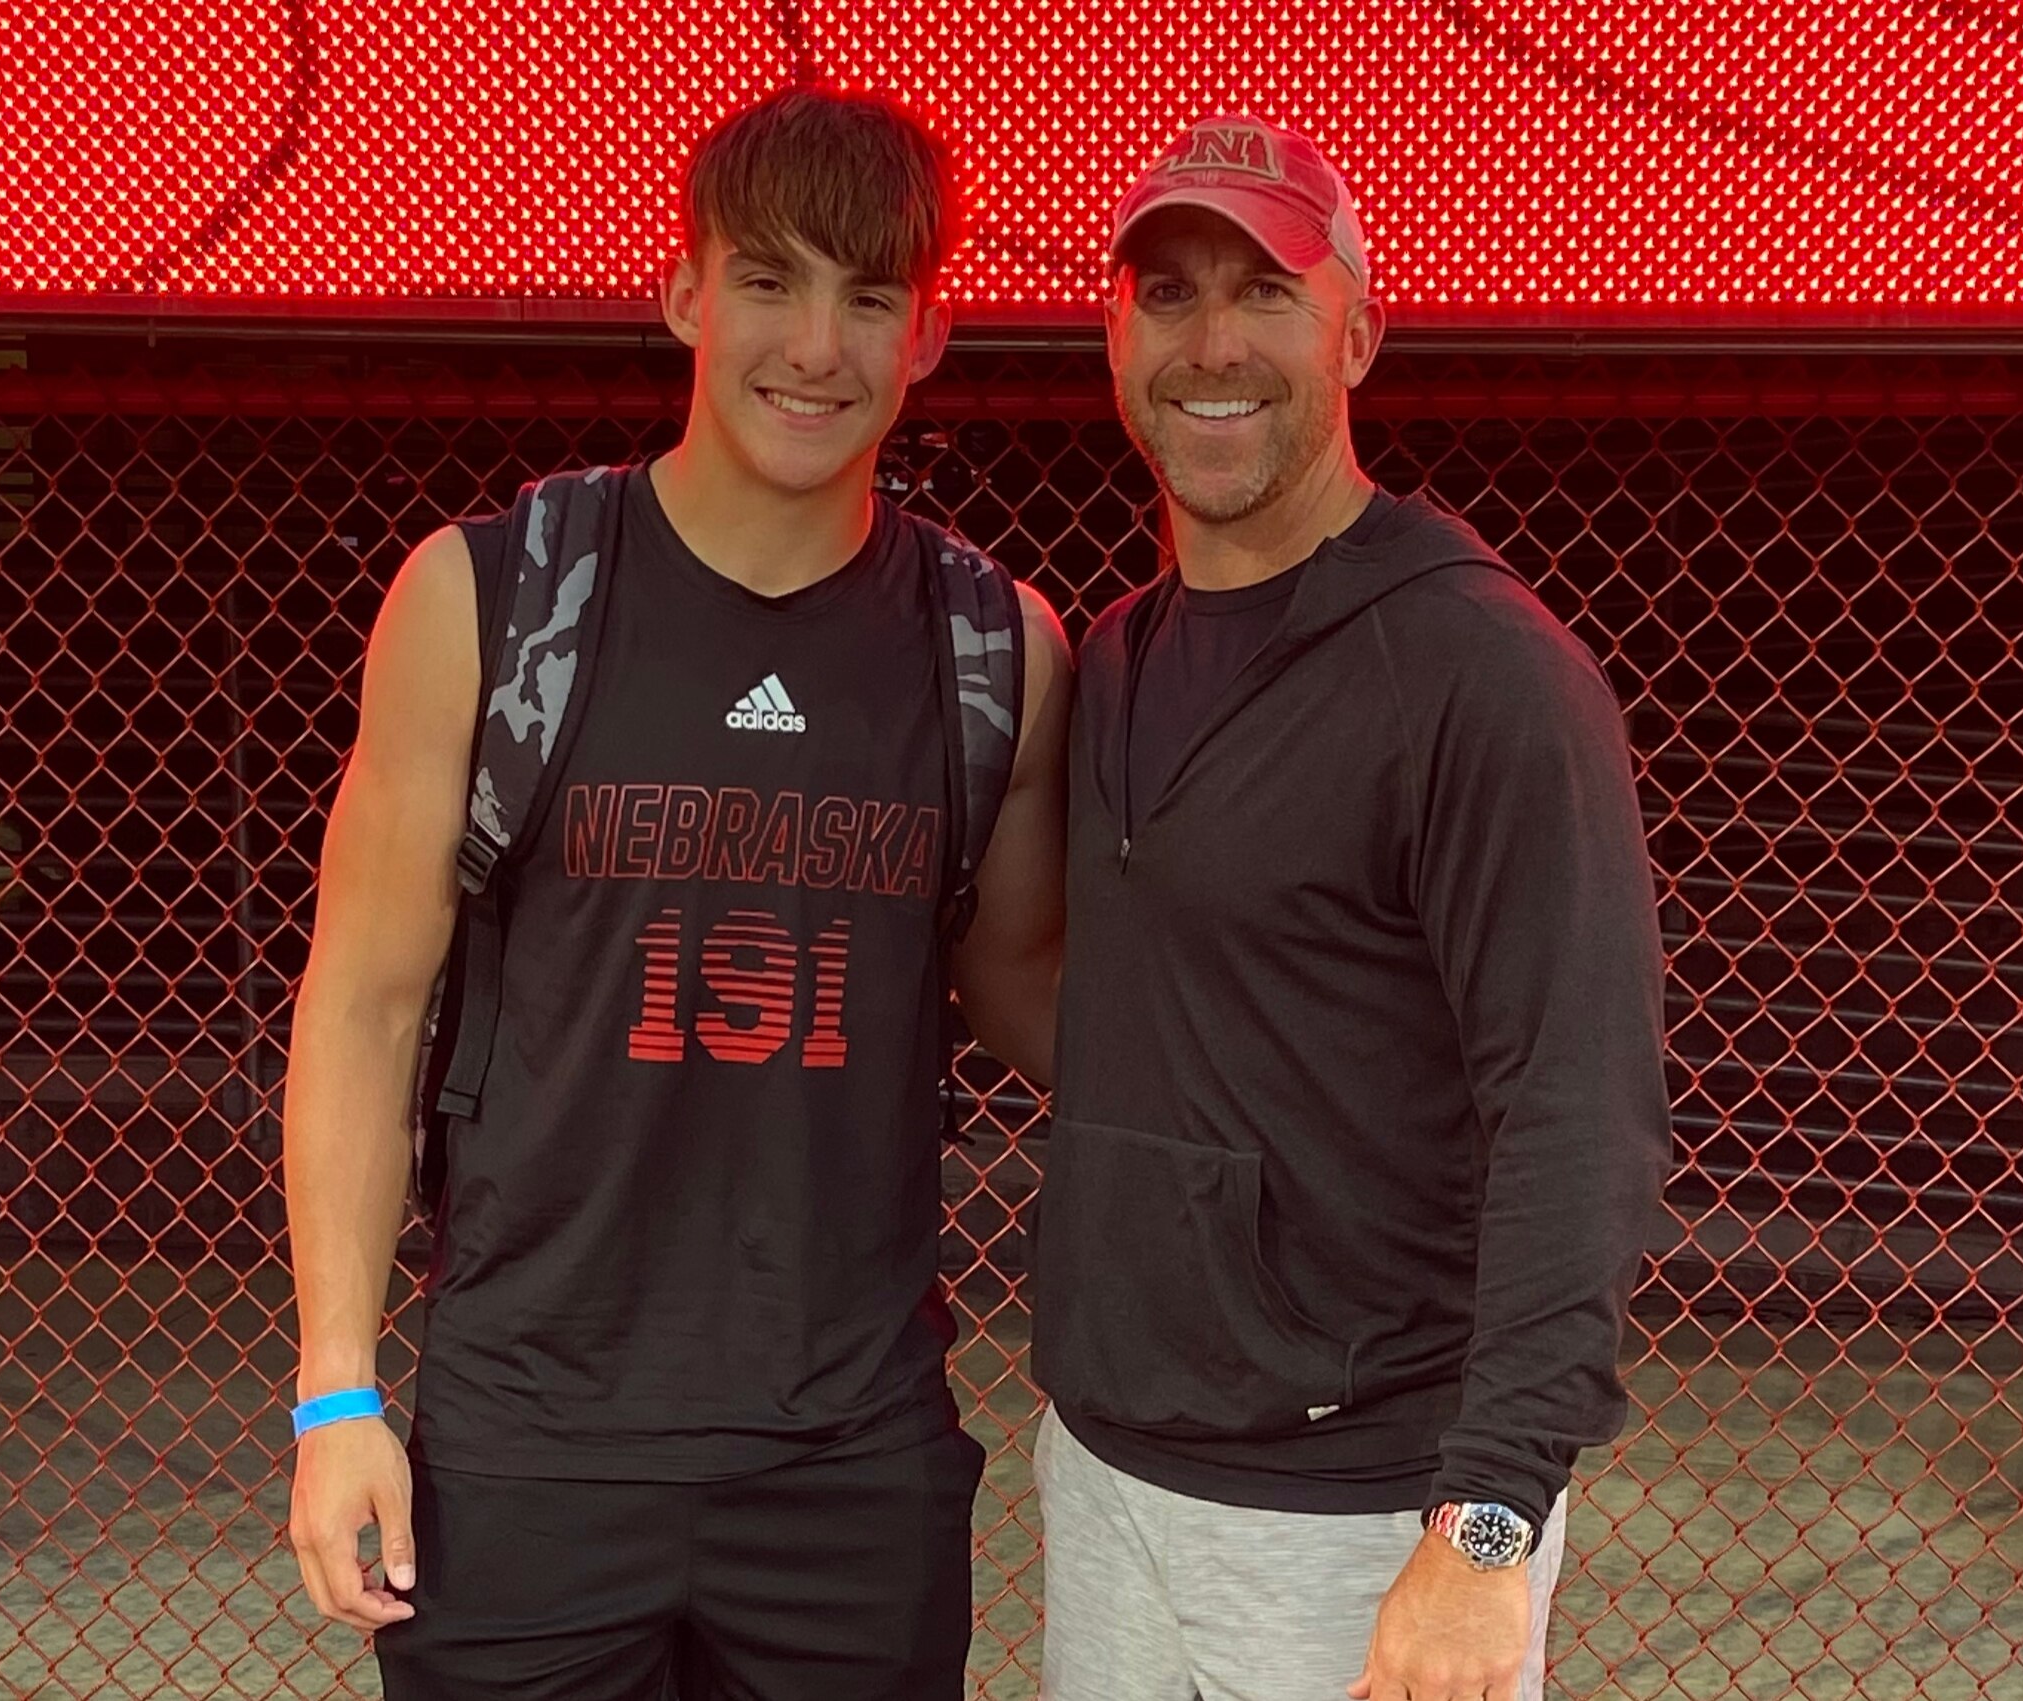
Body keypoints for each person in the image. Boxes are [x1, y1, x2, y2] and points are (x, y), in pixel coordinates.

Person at [277, 85, 1070, 1701]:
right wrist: (337, 1390)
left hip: (847, 1464)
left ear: (928, 332)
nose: (818, 346)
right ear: (688, 295)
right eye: (772, 279)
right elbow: (360, 1006)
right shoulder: (494, 598)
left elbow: (1036, 1001)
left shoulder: (996, 651)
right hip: (531, 1450)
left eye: (870, 296)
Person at [1032, 115, 1670, 1701]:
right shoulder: (1112, 654)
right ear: (1114, 338)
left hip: (1362, 1517)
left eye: (1266, 290)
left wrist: (1489, 1525)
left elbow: (1579, 1113)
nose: (1213, 342)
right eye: (1167, 295)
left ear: (1359, 334)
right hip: (1106, 1469)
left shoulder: (1481, 673)